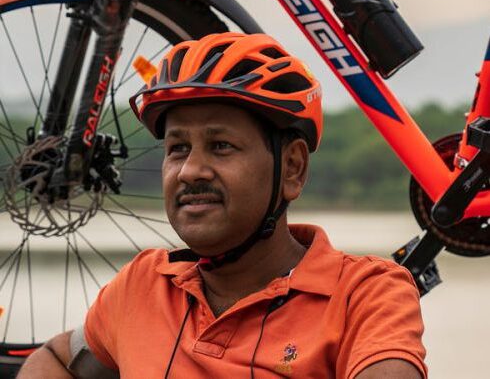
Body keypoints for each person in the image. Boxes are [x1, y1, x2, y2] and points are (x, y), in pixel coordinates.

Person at [18, 32, 427, 378]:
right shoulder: (143, 284)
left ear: (292, 168)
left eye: (221, 146)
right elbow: (56, 360)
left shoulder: (364, 295)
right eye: (178, 148)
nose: (191, 171)